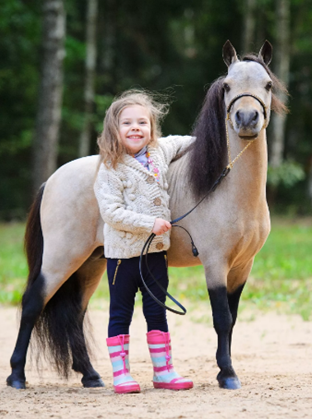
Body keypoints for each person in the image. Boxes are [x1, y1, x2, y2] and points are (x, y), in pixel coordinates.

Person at [94, 90, 194, 394]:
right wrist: (149, 223)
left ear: (152, 128)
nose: (136, 128)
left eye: (142, 122)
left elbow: (186, 140)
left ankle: (163, 371)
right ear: (114, 129)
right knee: (120, 313)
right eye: (127, 123)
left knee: (156, 312)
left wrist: (212, 137)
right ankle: (121, 374)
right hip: (123, 257)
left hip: (155, 254)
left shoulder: (159, 152)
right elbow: (111, 213)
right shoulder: (110, 168)